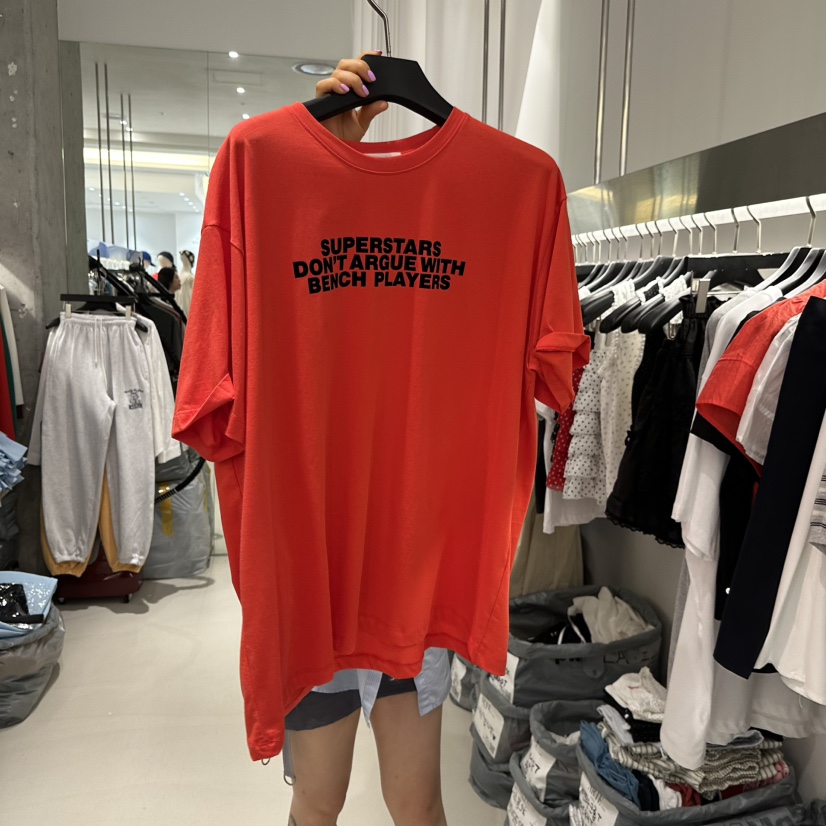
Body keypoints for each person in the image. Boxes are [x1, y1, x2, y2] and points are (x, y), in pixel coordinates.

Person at [283, 54, 447, 826]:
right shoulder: (272, 188)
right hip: (313, 572)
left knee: (416, 805)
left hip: (415, 575)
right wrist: (331, 158)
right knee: (318, 802)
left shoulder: (491, 199)